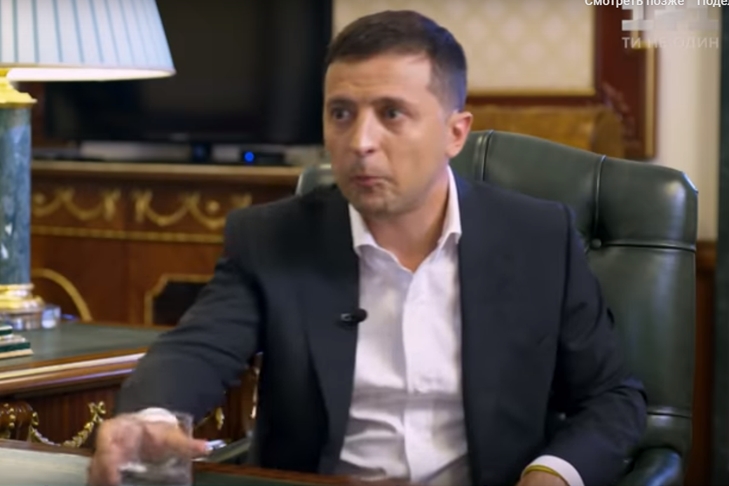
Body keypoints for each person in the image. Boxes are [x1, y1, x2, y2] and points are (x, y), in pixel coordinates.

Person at [88, 10, 647, 486]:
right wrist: (151, 418)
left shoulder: (538, 238)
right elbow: (197, 348)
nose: (360, 143)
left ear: (455, 132)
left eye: (391, 113)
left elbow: (611, 397)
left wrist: (552, 475)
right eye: (341, 114)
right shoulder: (272, 238)